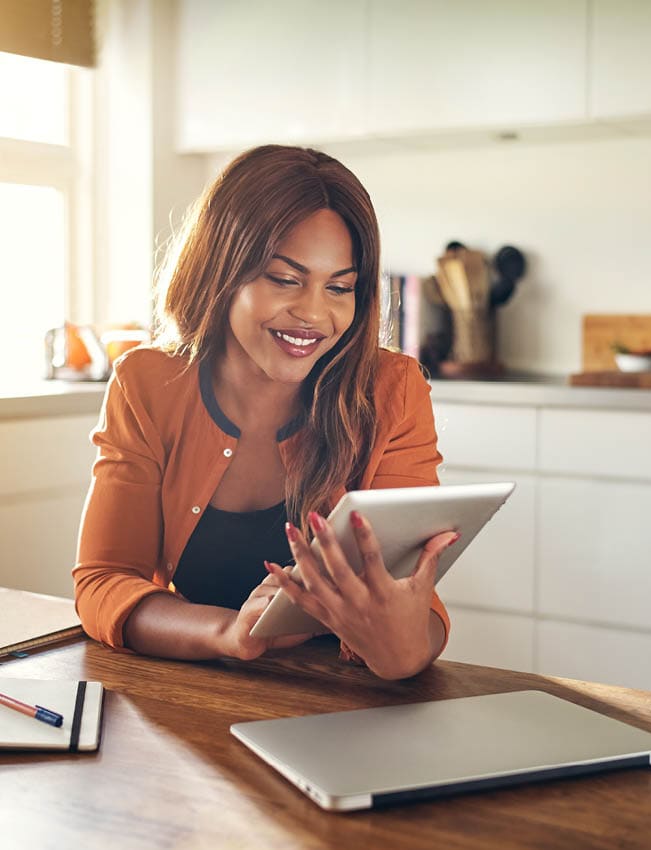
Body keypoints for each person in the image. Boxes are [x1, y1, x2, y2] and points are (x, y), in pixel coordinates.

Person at [73, 145, 456, 680]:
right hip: (197, 694)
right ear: (221, 269)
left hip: (342, 706)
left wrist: (399, 646)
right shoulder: (148, 383)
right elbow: (105, 581)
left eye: (340, 287)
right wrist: (230, 634)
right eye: (285, 278)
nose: (315, 314)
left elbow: (418, 614)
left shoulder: (392, 390)